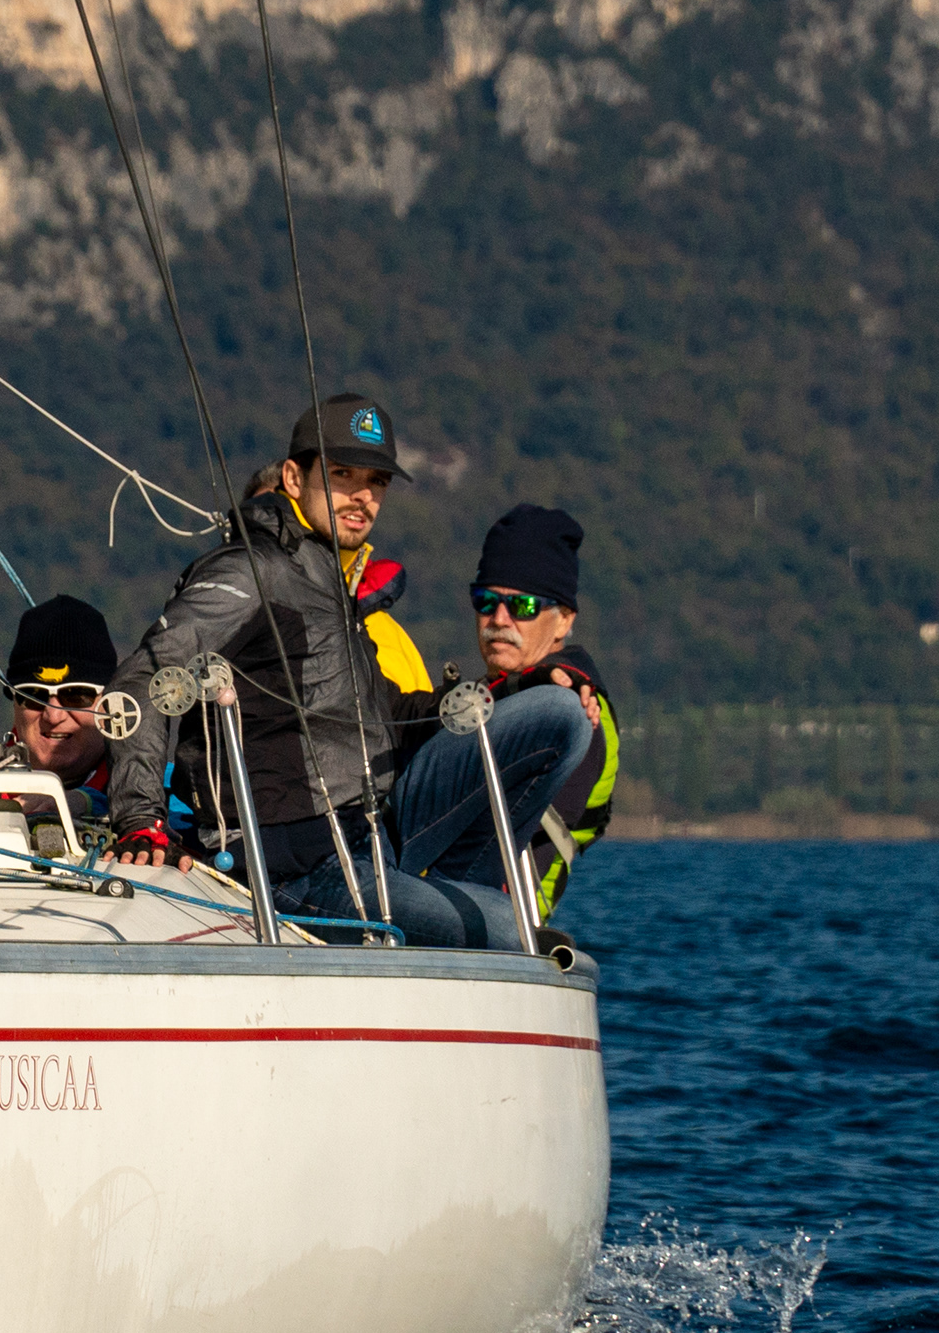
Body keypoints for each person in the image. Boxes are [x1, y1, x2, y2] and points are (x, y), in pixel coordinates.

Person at [104, 398, 523, 944]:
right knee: (504, 930)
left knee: (548, 717)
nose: (363, 496)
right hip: (289, 868)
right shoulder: (254, 571)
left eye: (376, 482)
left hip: (361, 842)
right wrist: (141, 820)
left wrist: (501, 691)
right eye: (342, 475)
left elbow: (384, 714)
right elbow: (143, 679)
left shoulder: (329, 579)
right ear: (294, 479)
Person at [388, 502, 615, 931]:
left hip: (489, 916)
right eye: (485, 601)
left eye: (523, 606)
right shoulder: (496, 693)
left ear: (564, 620)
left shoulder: (579, 709)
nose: (499, 619)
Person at [0, 594, 121, 826]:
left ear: (111, 703)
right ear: (14, 701)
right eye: (33, 695)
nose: (53, 715)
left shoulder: (170, 789)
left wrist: (87, 802)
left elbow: (182, 822)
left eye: (76, 696)